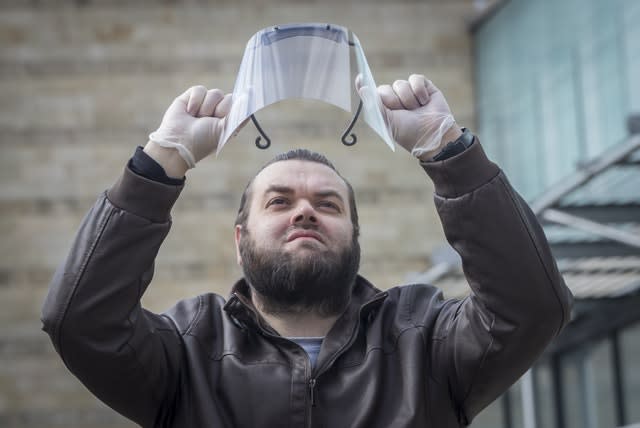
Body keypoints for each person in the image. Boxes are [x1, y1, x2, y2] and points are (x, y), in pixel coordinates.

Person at [42, 74, 573, 427]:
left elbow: (530, 309)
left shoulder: (425, 339)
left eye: (327, 203)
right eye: (279, 202)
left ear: (354, 238)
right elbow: (81, 324)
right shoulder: (185, 350)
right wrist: (160, 162)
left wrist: (447, 148)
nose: (304, 211)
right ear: (239, 238)